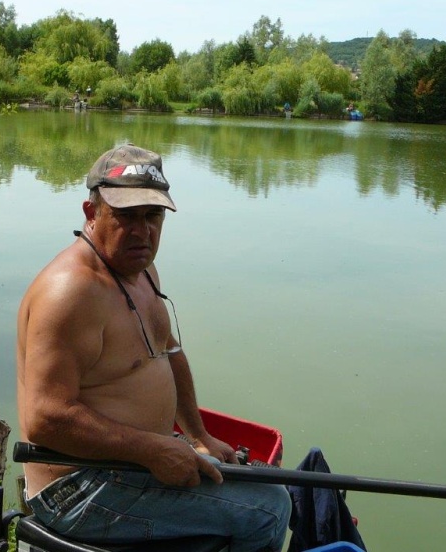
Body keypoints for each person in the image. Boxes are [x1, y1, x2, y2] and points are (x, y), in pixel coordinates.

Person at [16, 144, 291, 551]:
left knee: (263, 481)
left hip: (131, 461)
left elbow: (169, 351)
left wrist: (199, 436)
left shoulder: (140, 268)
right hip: (77, 488)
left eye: (153, 216)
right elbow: (46, 417)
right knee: (269, 508)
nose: (143, 231)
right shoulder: (71, 292)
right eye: (126, 216)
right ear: (91, 214)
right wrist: (151, 449)